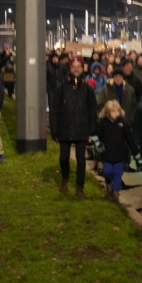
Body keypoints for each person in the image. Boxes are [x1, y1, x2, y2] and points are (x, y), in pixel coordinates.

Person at [49, 57, 98, 197]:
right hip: (65, 127)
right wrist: (54, 129)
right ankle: (65, 177)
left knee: (81, 160)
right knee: (63, 157)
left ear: (83, 68)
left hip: (82, 128)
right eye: (74, 66)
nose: (76, 69)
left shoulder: (88, 89)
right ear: (70, 68)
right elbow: (54, 109)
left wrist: (91, 132)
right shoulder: (62, 87)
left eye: (79, 66)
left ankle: (79, 186)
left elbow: (92, 111)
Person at [95, 99, 141, 200]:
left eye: (117, 111)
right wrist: (98, 144)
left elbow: (129, 139)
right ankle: (108, 184)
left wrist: (137, 155)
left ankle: (115, 193)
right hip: (107, 154)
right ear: (107, 112)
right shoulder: (102, 123)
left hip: (120, 154)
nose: (116, 113)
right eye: (113, 111)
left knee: (117, 174)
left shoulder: (123, 123)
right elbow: (97, 135)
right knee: (107, 172)